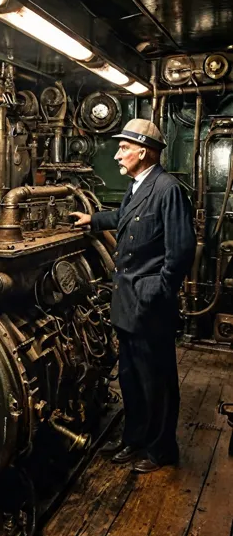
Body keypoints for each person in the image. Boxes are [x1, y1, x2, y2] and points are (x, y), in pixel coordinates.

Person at [72, 119, 196, 473]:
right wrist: (92, 219)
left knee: (156, 380)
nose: (117, 155)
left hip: (149, 305)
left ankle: (161, 449)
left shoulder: (168, 189)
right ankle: (135, 438)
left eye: (124, 148)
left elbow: (181, 251)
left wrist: (156, 291)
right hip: (128, 302)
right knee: (130, 376)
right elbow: (127, 217)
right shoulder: (140, 186)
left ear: (144, 151)